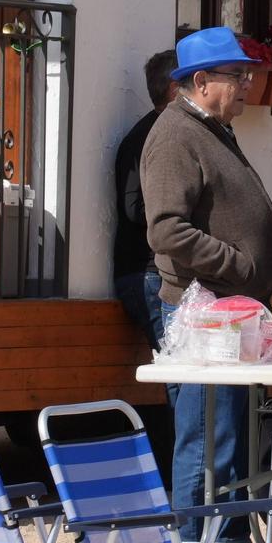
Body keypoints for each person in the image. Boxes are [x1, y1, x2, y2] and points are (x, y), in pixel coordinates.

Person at [141, 27, 272, 541]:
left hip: (231, 313)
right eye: (237, 75)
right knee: (208, 440)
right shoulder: (175, 134)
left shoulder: (208, 127)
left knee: (228, 440)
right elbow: (165, 229)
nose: (248, 84)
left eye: (247, 73)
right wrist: (237, 263)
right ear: (200, 81)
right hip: (206, 315)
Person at [113, 49, 176, 350]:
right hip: (149, 275)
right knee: (180, 369)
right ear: (176, 88)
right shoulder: (145, 137)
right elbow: (133, 207)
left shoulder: (178, 133)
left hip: (163, 275)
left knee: (182, 369)